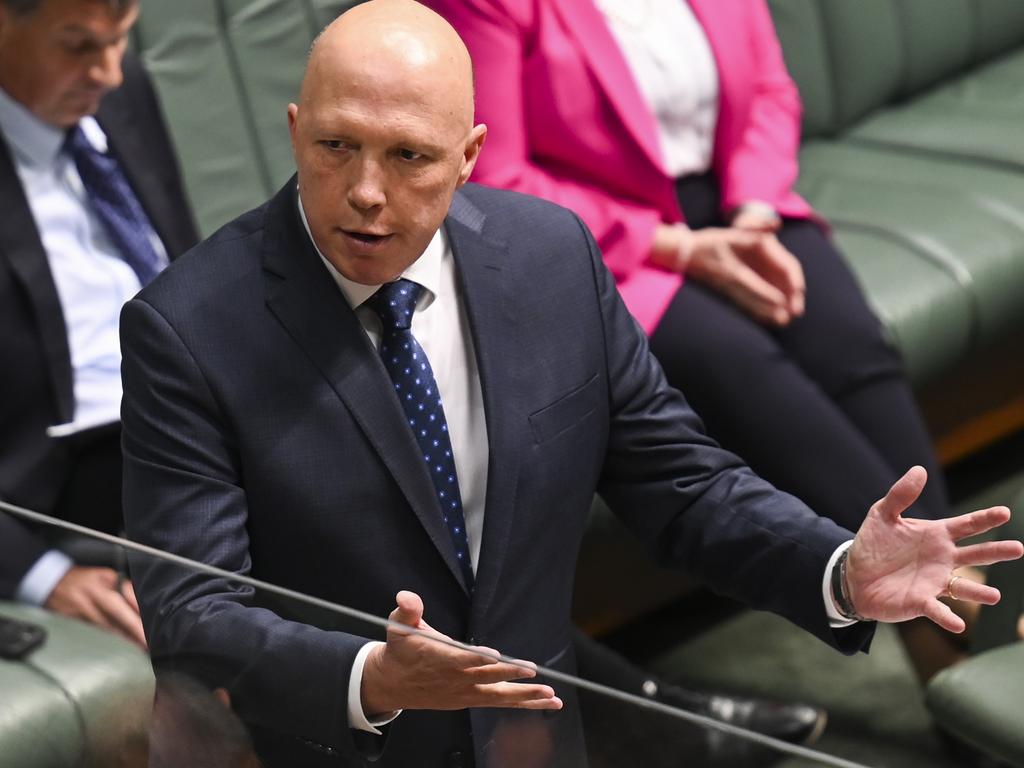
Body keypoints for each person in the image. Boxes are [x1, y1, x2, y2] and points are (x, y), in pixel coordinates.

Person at [119, 2, 1023, 766]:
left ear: (470, 154)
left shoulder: (550, 259)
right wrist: (369, 675)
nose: (364, 190)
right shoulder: (189, 329)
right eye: (335, 146)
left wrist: (834, 567)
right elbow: (190, 609)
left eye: (408, 158)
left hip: (541, 742)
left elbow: (682, 484)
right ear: (293, 129)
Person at [426, 0, 1000, 680]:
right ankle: (953, 627)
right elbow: (494, 177)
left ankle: (946, 605)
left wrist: (754, 213)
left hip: (737, 202)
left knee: (850, 343)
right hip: (599, 246)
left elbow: (769, 92)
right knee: (750, 375)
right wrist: (677, 247)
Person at [0, 0, 197, 647]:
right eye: (80, 45)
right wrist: (38, 572)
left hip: (196, 422)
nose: (108, 71)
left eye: (120, 41)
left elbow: (187, 270)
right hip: (68, 477)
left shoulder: (120, 90)